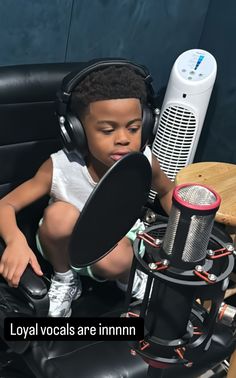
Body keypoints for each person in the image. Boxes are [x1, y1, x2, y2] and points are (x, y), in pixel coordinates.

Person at [0, 64, 174, 317]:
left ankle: (128, 280)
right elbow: (5, 205)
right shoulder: (60, 167)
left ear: (146, 126)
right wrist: (15, 240)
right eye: (107, 130)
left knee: (116, 260)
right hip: (66, 251)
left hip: (115, 250)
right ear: (76, 131)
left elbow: (168, 192)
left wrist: (183, 236)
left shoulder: (144, 162)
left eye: (134, 128)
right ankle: (65, 281)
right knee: (59, 215)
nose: (123, 139)